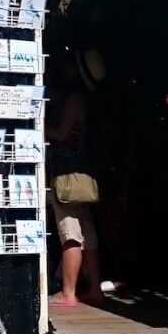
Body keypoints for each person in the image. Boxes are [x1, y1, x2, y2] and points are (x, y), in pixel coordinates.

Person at [47, 50, 106, 306]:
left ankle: (68, 292)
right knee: (88, 235)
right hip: (84, 175)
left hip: (67, 176)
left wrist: (38, 124)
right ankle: (95, 289)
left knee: (70, 233)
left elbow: (60, 134)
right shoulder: (87, 100)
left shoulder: (73, 100)